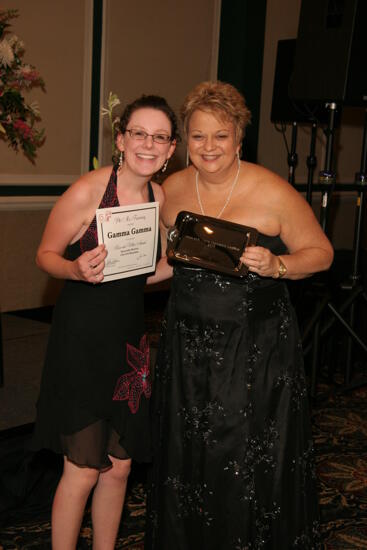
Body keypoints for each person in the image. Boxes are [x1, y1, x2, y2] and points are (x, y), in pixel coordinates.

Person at [145, 81, 334, 549]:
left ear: (239, 138)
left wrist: (279, 265)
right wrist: (119, 274)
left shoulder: (273, 190)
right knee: (189, 452)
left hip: (253, 349)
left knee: (238, 453)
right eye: (198, 136)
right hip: (186, 343)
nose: (208, 147)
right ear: (185, 140)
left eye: (220, 136)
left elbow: (322, 253)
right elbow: (172, 260)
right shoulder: (170, 189)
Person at [31, 94, 177, 550]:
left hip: (130, 347)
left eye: (160, 137)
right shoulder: (90, 189)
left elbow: (147, 272)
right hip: (81, 344)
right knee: (83, 467)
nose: (148, 145)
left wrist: (187, 262)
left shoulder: (159, 194)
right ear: (121, 139)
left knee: (120, 467)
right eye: (139, 133)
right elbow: (45, 255)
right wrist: (75, 269)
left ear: (171, 150)